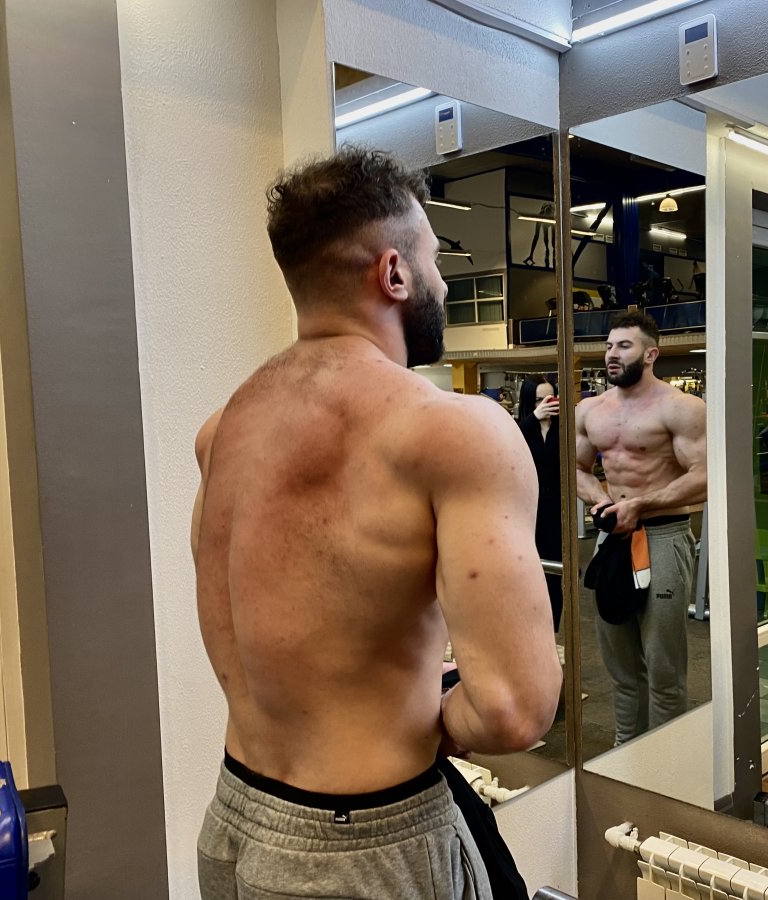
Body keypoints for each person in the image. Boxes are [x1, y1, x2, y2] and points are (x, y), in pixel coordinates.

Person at [190, 148, 561, 900]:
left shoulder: (223, 429)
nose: (443, 283)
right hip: (362, 851)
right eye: (434, 259)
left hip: (234, 823)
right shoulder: (451, 430)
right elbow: (514, 711)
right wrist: (432, 718)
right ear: (393, 273)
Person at [575, 310, 707, 745]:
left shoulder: (681, 408)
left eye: (624, 346)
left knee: (664, 668)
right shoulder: (590, 410)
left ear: (651, 354)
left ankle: (666, 763)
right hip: (612, 537)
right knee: (620, 664)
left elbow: (705, 476)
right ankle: (625, 753)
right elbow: (576, 468)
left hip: (663, 535)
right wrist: (600, 500)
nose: (611, 354)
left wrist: (641, 504)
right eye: (609, 346)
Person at [518, 377, 563, 631]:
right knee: (527, 571)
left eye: (550, 397)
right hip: (526, 510)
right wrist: (534, 418)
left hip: (556, 508)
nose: (546, 404)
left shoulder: (562, 429)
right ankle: (527, 627)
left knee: (556, 574)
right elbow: (508, 441)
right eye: (539, 399)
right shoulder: (523, 428)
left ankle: (552, 629)